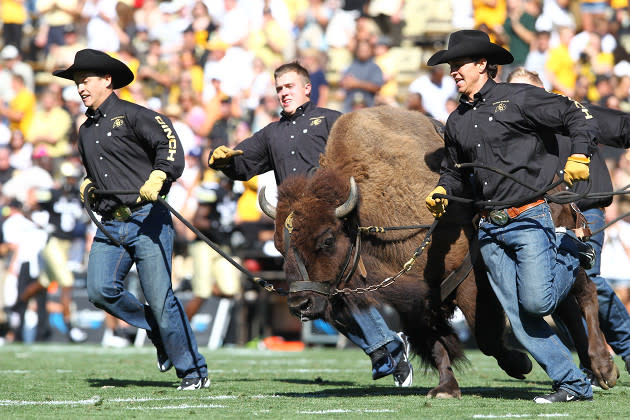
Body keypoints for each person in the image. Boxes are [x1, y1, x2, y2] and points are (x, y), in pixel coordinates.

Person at [208, 61, 413, 387]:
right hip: (297, 233)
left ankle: (384, 348)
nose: (283, 93)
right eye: (278, 88)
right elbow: (242, 162)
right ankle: (385, 346)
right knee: (315, 302)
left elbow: (364, 155)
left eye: (288, 86)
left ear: (307, 88)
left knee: (342, 289)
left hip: (331, 224)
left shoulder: (330, 120)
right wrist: (223, 161)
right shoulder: (272, 133)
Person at [424, 29, 598, 403]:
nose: (453, 71)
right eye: (451, 66)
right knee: (519, 318)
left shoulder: (518, 98)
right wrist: (443, 188)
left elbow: (577, 114)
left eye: (459, 65)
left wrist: (580, 153)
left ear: (482, 64)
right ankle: (572, 383)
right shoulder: (456, 122)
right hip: (489, 228)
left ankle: (568, 249)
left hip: (529, 217)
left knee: (537, 304)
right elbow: (456, 170)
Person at [52, 49, 209, 391]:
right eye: (77, 81)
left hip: (148, 218)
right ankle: (156, 329)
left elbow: (170, 147)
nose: (80, 87)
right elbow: (93, 172)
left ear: (107, 80)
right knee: (99, 290)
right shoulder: (84, 131)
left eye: (86, 80)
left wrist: (160, 176)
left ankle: (193, 370)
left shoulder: (136, 115)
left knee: (160, 296)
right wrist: (88, 184)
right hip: (112, 222)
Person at [506, 67, 630, 380]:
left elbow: (625, 128)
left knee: (589, 281)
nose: (520, 100)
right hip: (536, 218)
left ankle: (627, 347)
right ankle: (589, 359)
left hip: (585, 211)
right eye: (513, 94)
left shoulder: (575, 110)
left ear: (544, 91)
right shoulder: (509, 127)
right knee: (559, 291)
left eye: (526, 92)